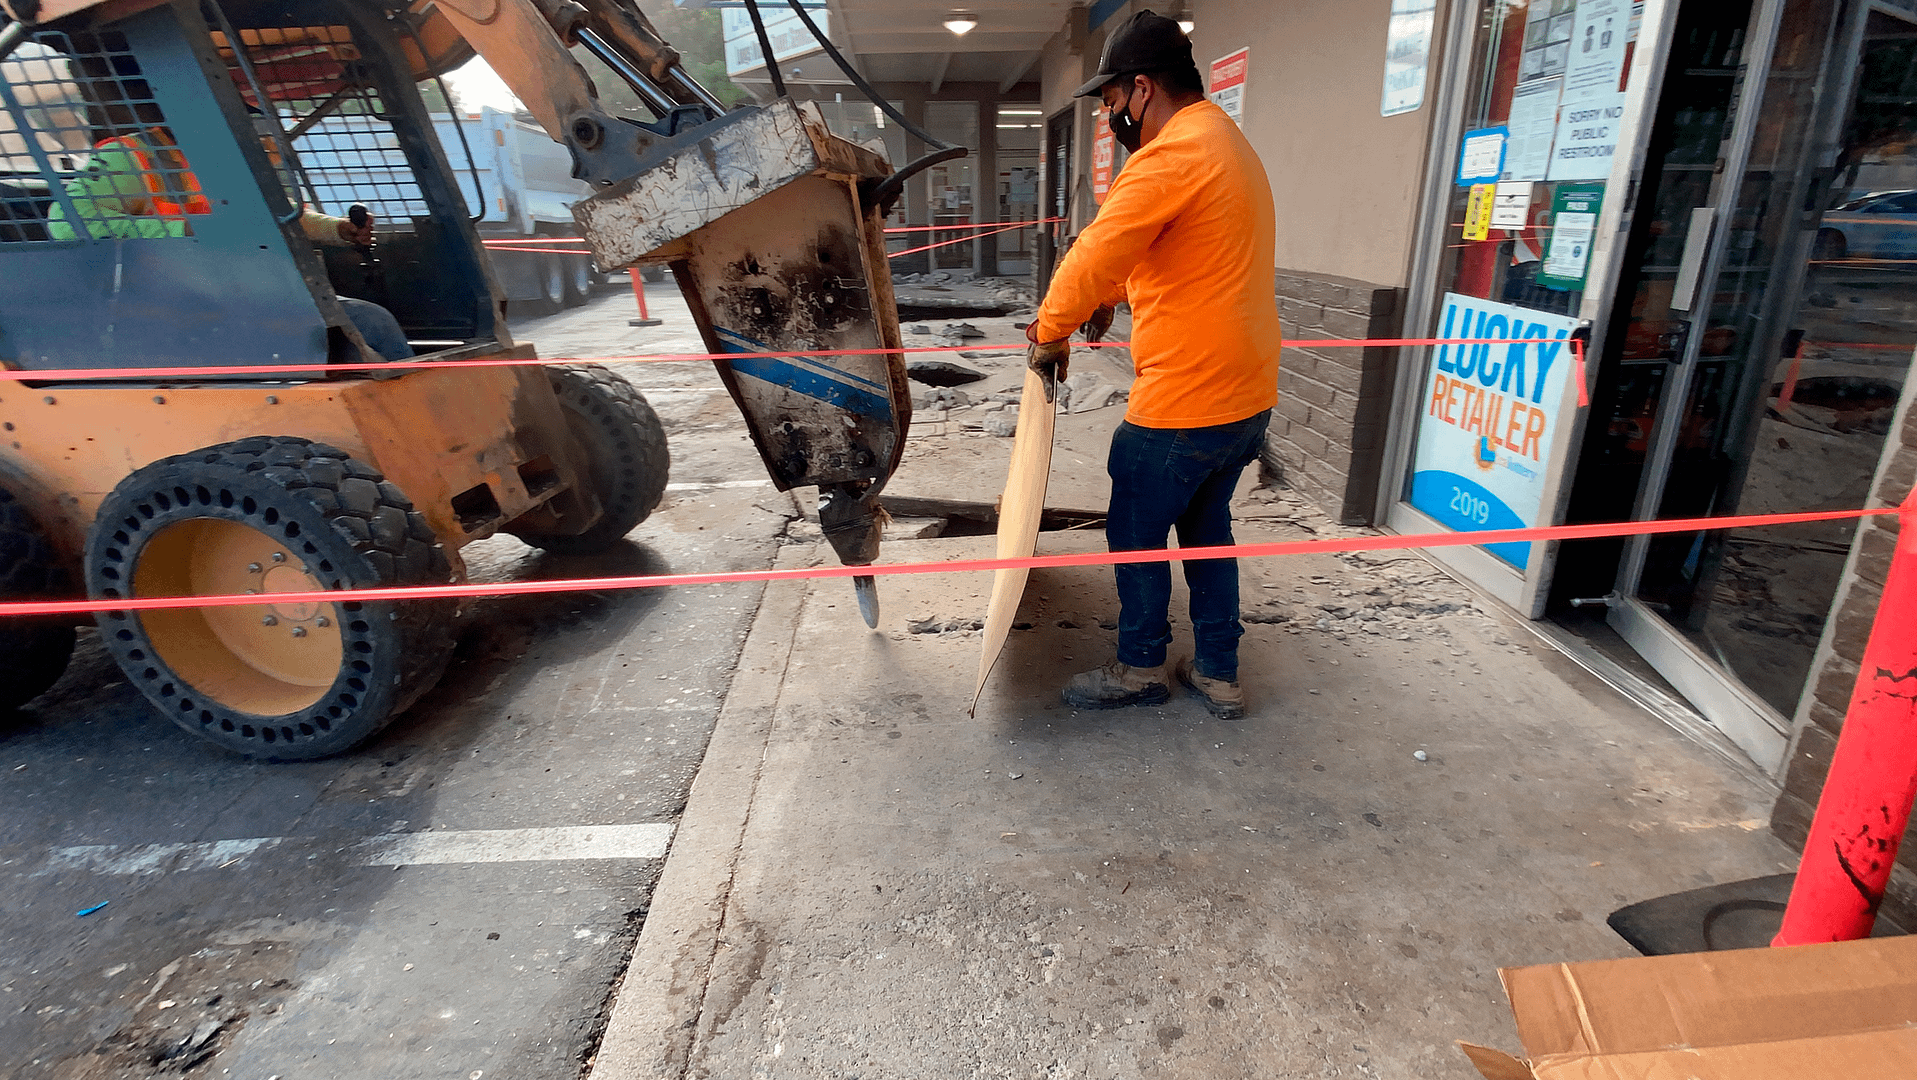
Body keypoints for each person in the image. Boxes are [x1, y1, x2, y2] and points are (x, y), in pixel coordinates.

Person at [1028, 10, 1283, 720]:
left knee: (1135, 532)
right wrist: (1109, 297)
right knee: (1207, 531)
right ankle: (1217, 670)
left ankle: (1139, 666)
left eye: (1111, 102)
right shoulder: (1225, 141)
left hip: (1186, 397)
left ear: (1142, 88)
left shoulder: (1170, 155)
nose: (1112, 117)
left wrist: (1049, 332)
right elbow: (1171, 251)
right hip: (1246, 393)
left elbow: (1095, 250)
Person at [47, 122, 409, 358]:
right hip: (176, 307)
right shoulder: (132, 157)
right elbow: (68, 223)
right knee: (367, 326)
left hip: (249, 293)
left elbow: (271, 215)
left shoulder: (231, 154)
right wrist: (181, 230)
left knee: (369, 325)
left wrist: (338, 229)